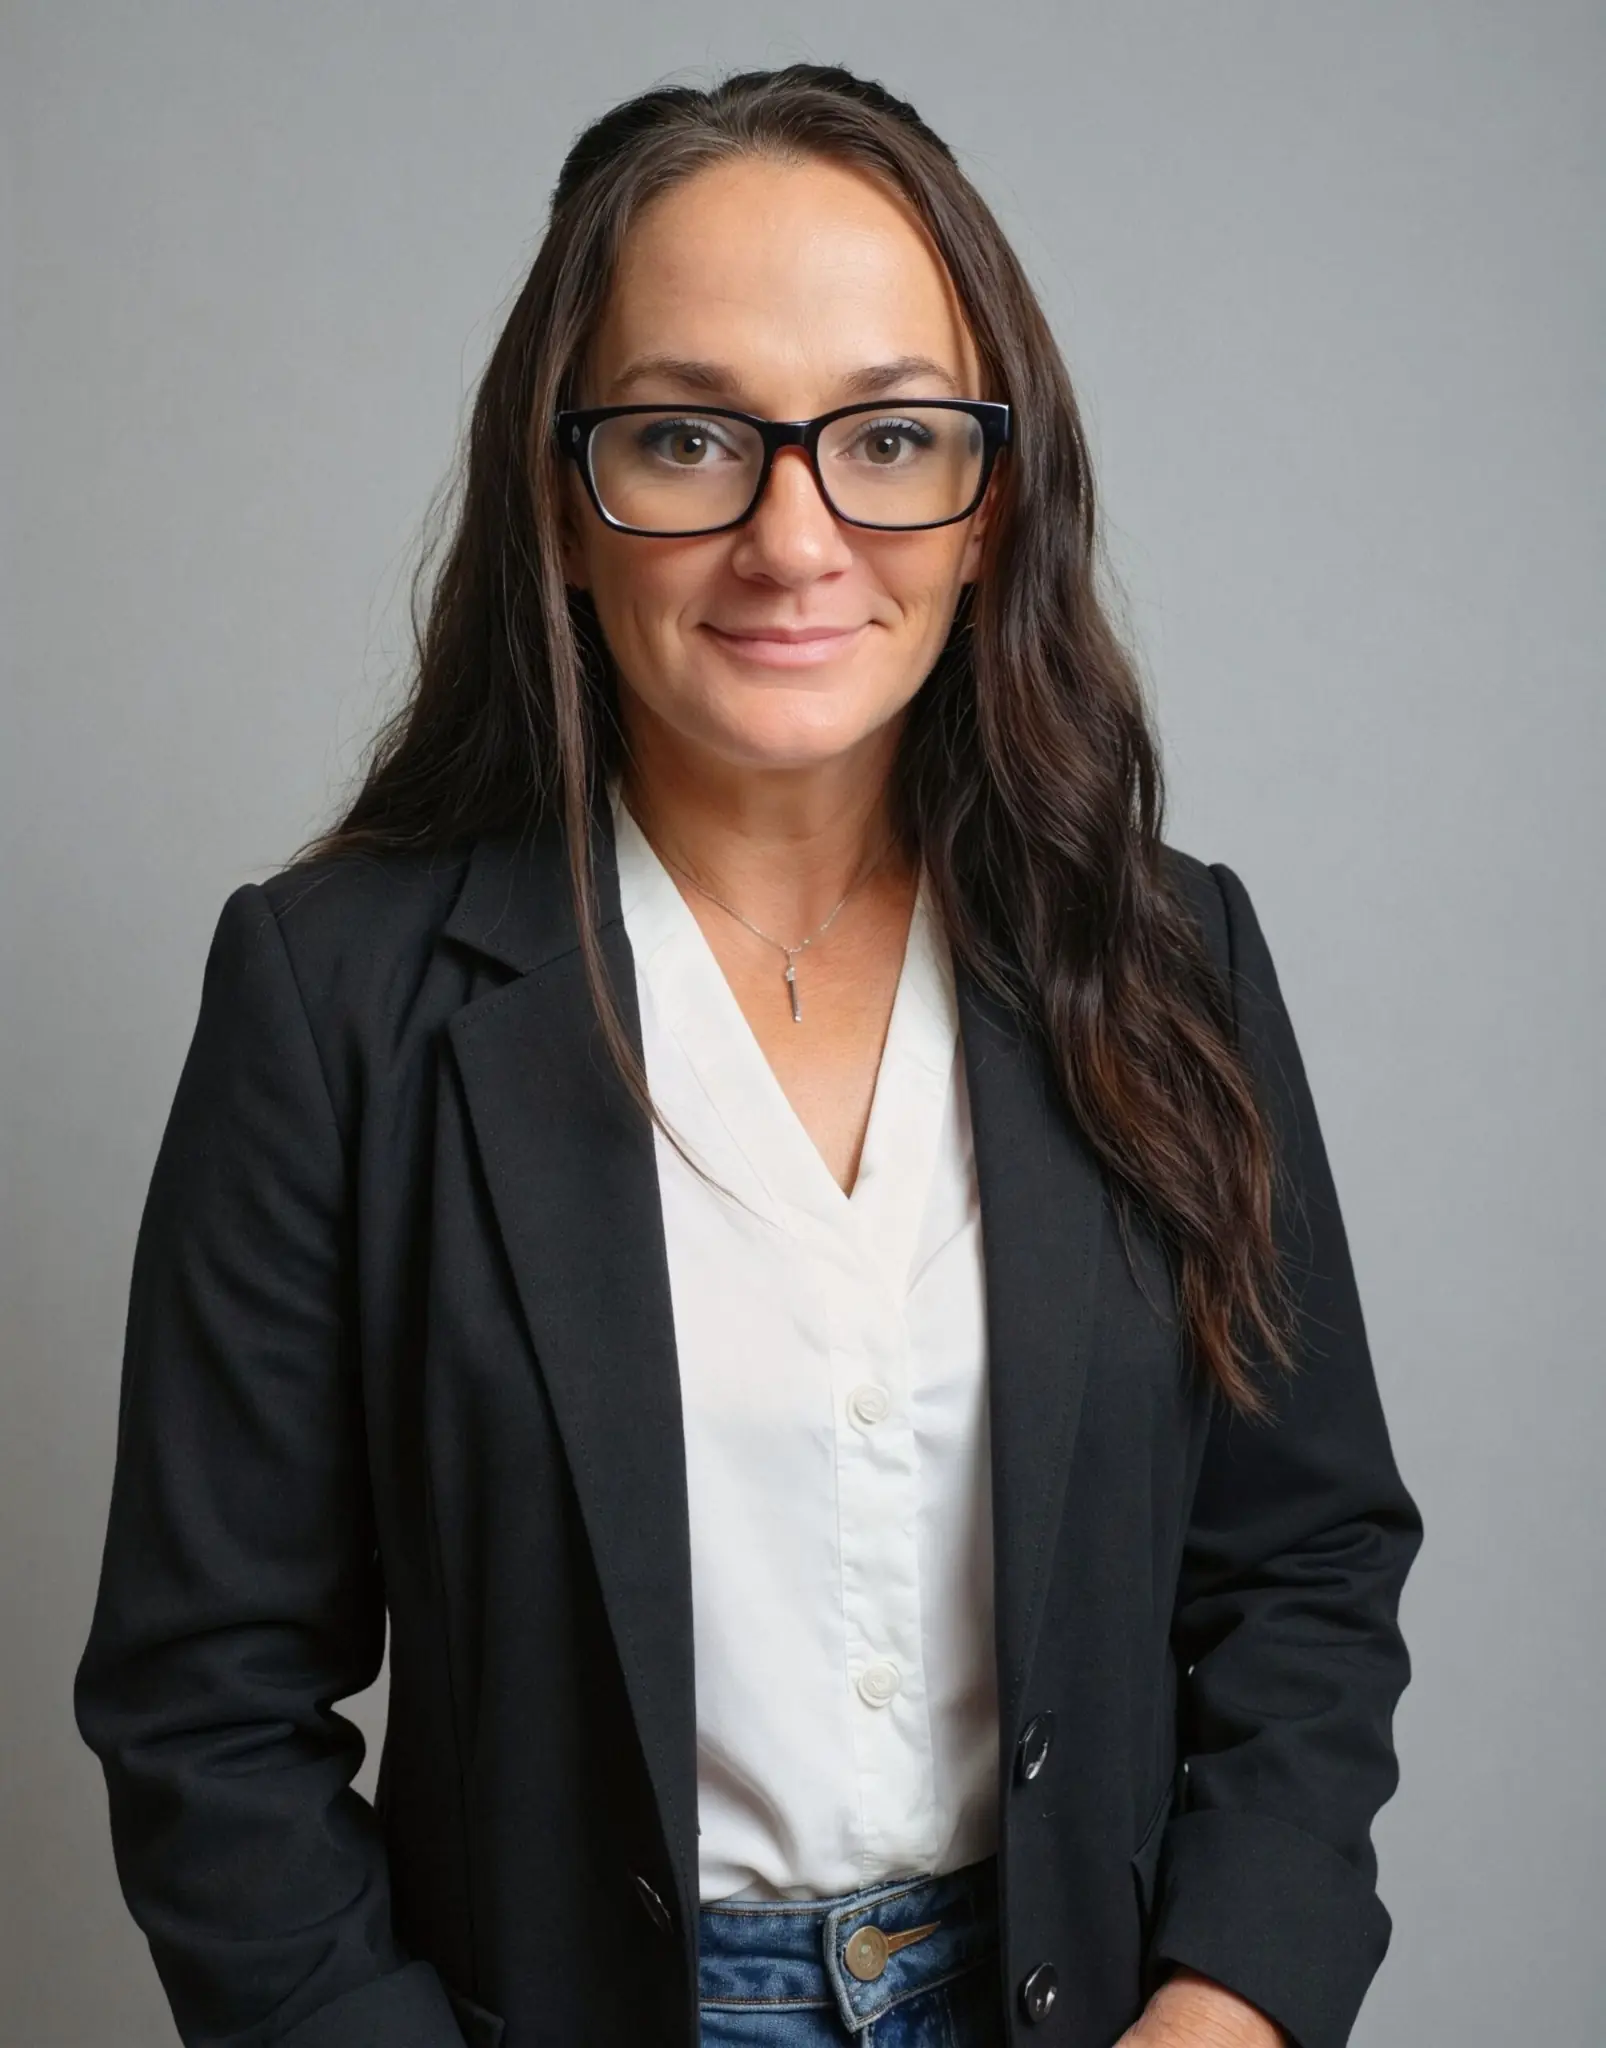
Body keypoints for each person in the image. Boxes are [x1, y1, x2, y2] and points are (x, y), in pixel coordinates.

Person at [73, 62, 1424, 2048]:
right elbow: (204, 1703)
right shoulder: (337, 997)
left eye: (888, 437)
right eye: (688, 436)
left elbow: (1302, 1562)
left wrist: (1226, 2010)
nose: (795, 538)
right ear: (563, 499)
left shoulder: (1166, 956)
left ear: (992, 500)